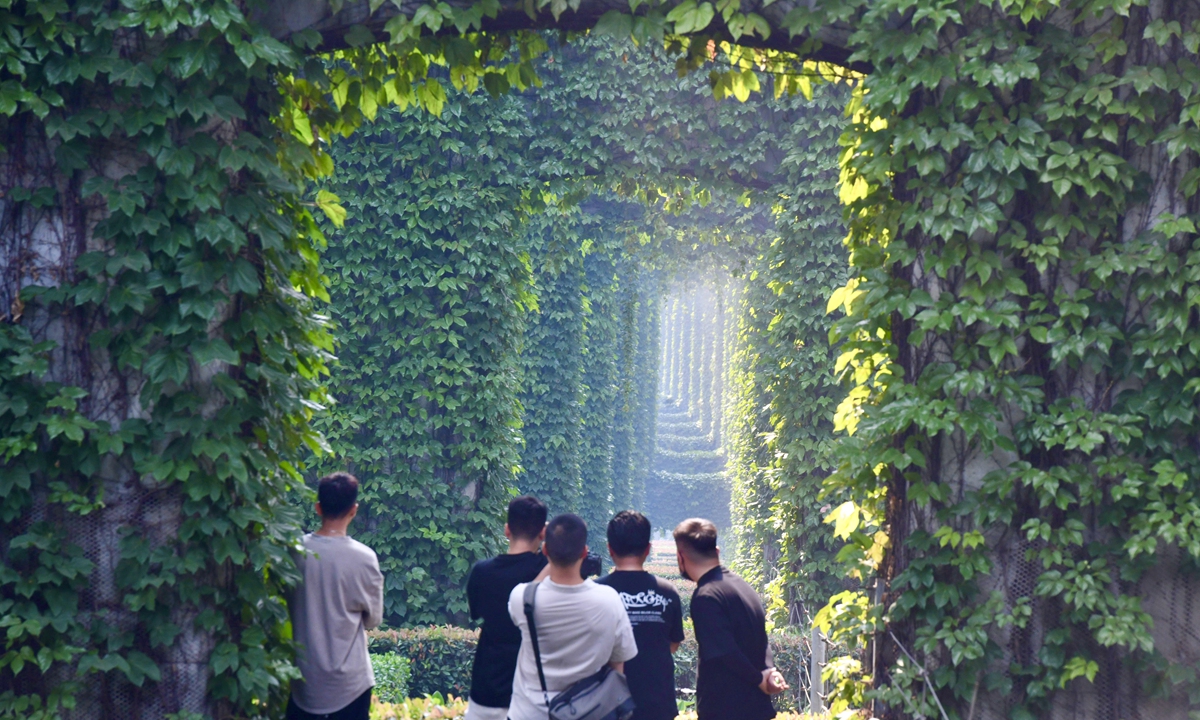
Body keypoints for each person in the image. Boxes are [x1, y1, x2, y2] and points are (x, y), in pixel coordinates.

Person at [507, 513, 639, 720]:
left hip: (529, 713)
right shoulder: (609, 599)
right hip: (587, 713)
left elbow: (533, 586)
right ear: (585, 552)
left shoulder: (523, 598)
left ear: (545, 550)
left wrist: (554, 544)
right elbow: (617, 667)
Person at [288, 472, 385, 720]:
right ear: (354, 509)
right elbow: (373, 620)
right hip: (351, 684)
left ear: (318, 507)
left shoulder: (295, 552)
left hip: (304, 680)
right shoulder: (364, 558)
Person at [673, 518, 787, 720]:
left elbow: (724, 652)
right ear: (716, 551)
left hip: (726, 708)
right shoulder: (743, 586)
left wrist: (760, 679)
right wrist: (768, 671)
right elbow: (761, 639)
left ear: (681, 557)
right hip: (756, 708)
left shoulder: (706, 596)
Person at [464, 495, 550, 720]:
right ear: (542, 533)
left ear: (507, 529)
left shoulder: (481, 572)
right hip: (532, 689)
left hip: (487, 687)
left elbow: (476, 614)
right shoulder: (548, 572)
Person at [597, 511, 685, 720]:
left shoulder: (594, 592)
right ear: (648, 549)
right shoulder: (668, 592)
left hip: (606, 705)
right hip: (656, 703)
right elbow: (673, 644)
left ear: (610, 549)